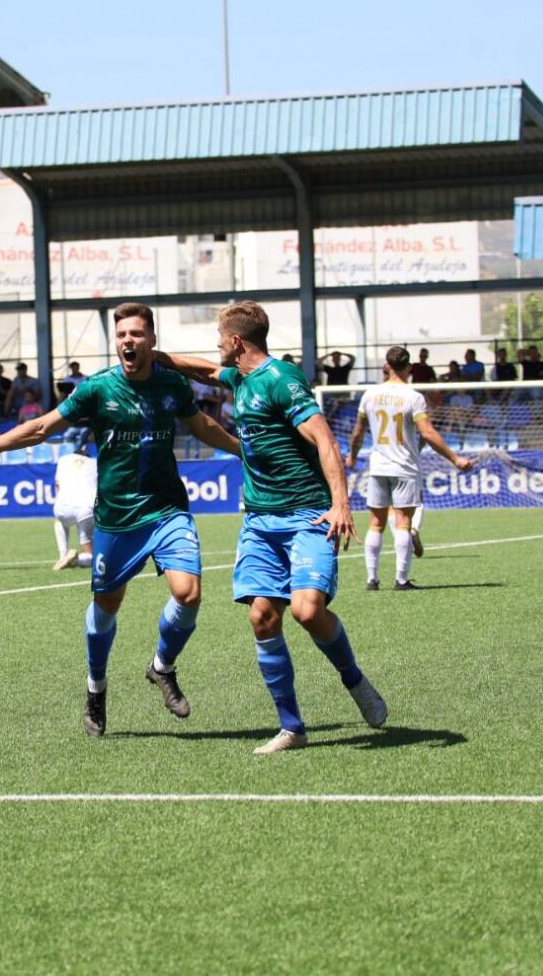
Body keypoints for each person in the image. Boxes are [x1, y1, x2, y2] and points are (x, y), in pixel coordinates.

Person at [0, 302, 240, 738]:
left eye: (137, 334)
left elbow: (201, 427)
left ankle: (162, 666)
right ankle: (96, 688)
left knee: (189, 592)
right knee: (107, 606)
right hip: (117, 518)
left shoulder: (172, 385)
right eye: (122, 335)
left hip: (166, 508)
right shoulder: (96, 389)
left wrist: (245, 452)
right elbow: (42, 427)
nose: (128, 341)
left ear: (152, 341)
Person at [159, 301, 386, 754]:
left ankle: (354, 679)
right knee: (262, 617)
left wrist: (341, 503)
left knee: (306, 611)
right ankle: (292, 728)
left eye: (221, 337)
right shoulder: (238, 377)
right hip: (260, 520)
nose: (218, 344)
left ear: (237, 341)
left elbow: (324, 437)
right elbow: (204, 371)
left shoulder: (281, 379)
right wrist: (154, 354)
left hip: (306, 514)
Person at [347, 346, 475, 591]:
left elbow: (357, 433)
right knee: (403, 521)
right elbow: (427, 432)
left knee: (376, 522)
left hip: (377, 466)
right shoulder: (413, 397)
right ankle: (401, 579)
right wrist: (455, 458)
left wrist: (352, 457)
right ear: (409, 368)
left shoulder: (369, 395)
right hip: (403, 466)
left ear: (387, 365)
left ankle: (372, 579)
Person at [51, 440, 97, 571]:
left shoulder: (63, 460)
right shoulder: (95, 463)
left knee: (60, 521)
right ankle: (78, 559)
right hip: (88, 507)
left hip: (63, 506)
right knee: (90, 550)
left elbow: (58, 486)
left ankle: (63, 555)